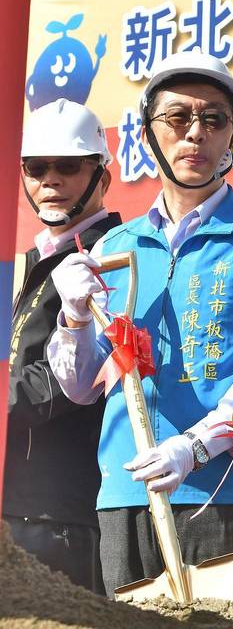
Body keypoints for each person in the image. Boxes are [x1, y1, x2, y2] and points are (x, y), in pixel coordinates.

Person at [46, 50, 233, 604]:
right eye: (177, 119)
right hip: (128, 494)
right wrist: (71, 319)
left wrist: (192, 447)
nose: (196, 134)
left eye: (213, 119)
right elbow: (78, 387)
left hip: (231, 492)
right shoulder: (113, 250)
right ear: (148, 136)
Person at [5, 99, 122, 593]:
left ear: (102, 177)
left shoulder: (111, 254)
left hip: (62, 515)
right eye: (37, 168)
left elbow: (78, 376)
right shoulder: (39, 259)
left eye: (68, 166)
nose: (50, 180)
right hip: (20, 506)